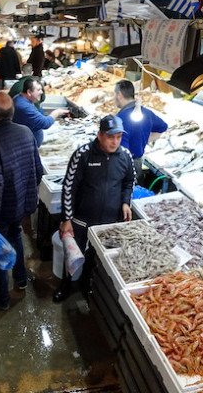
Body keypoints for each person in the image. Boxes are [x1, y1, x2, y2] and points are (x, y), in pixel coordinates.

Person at [0, 92, 43, 310]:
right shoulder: (25, 132)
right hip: (21, 206)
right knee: (15, 236)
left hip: (0, 210)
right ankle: (20, 279)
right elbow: (38, 170)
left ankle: (2, 297)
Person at [55, 115, 135, 302]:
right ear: (99, 135)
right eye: (110, 137)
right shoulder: (83, 155)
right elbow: (69, 187)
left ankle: (86, 284)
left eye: (118, 137)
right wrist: (66, 219)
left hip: (108, 222)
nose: (115, 141)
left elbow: (129, 182)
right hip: (81, 220)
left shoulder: (125, 156)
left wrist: (125, 202)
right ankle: (66, 285)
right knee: (72, 255)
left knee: (95, 257)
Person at [114, 80, 168, 178]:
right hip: (137, 164)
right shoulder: (146, 113)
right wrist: (144, 140)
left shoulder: (120, 119)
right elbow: (163, 127)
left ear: (119, 95)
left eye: (114, 95)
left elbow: (121, 152)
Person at [12, 77, 68, 147]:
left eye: (41, 89)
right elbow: (45, 123)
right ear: (29, 92)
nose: (41, 92)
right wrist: (56, 112)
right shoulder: (24, 106)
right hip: (25, 147)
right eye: (38, 90)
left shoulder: (21, 98)